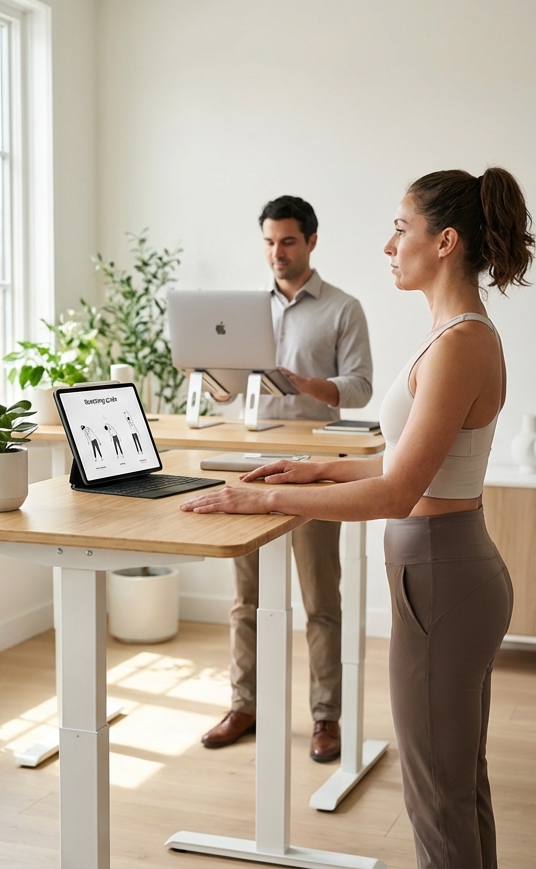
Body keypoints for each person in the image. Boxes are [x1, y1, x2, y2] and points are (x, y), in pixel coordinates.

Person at [180, 168, 530, 869]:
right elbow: (404, 463)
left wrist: (266, 497)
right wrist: (318, 469)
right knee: (457, 787)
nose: (389, 244)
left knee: (438, 800)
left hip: (442, 576)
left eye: (402, 227)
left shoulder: (461, 341)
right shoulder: (454, 333)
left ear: (445, 241)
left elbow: (398, 493)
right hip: (443, 572)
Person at [200, 196, 373, 763]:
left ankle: (326, 718)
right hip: (248, 461)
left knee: (321, 598)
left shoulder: (343, 309)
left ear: (312, 242)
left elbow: (359, 389)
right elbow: (228, 393)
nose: (278, 253)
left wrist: (304, 383)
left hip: (313, 467)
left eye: (289, 242)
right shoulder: (246, 310)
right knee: (243, 598)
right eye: (270, 242)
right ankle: (243, 705)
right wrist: (210, 377)